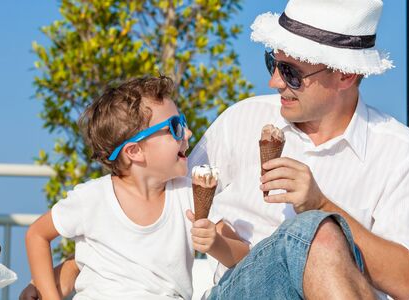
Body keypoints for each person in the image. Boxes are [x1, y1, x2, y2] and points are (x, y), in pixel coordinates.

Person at [21, 0, 409, 299]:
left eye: (290, 72)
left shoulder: (401, 153)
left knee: (315, 233)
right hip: (240, 291)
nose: (274, 81)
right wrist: (69, 272)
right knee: (312, 236)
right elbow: (153, 202)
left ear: (344, 75)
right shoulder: (243, 119)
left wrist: (320, 203)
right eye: (272, 62)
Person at [24, 75, 249, 300]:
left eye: (183, 122)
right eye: (175, 127)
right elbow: (37, 234)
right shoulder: (91, 198)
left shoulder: (188, 195)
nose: (188, 133)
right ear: (134, 151)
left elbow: (243, 255)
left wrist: (216, 243)